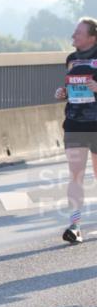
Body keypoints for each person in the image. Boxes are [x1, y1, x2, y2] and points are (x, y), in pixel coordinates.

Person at [54, 17, 97, 244]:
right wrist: (64, 93)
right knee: (76, 175)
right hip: (75, 122)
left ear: (92, 37)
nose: (73, 37)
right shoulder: (71, 59)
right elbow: (72, 87)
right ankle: (75, 225)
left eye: (78, 34)